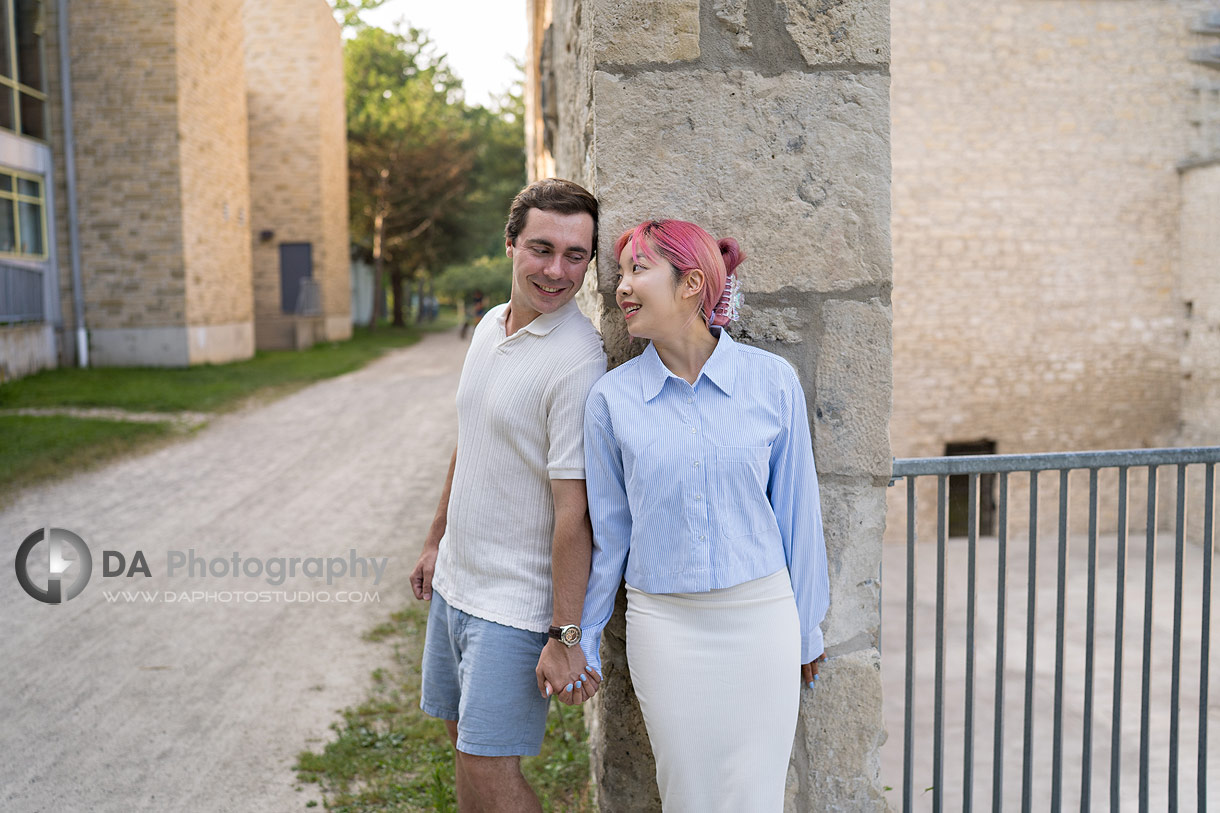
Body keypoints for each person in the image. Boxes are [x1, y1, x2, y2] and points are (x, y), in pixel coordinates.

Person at [578, 219, 830, 811]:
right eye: (621, 274)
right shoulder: (611, 401)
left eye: (639, 270)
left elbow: (799, 514)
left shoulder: (772, 383)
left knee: (756, 793)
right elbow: (609, 535)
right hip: (664, 626)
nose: (622, 289)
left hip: (760, 619)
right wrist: (583, 636)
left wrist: (806, 627)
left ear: (691, 283)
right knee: (688, 793)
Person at [410, 178, 606, 812]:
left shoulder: (577, 361)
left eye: (576, 255)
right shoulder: (490, 326)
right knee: (460, 742)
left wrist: (565, 635)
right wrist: (437, 539)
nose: (557, 270)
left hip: (514, 605)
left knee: (487, 766)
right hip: (457, 582)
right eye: (541, 248)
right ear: (511, 244)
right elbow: (470, 440)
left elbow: (575, 515)